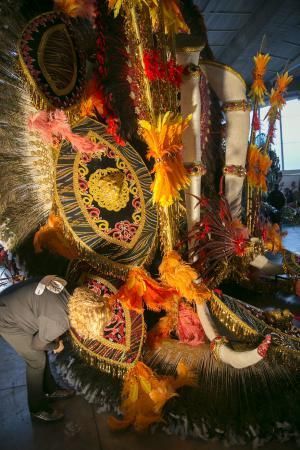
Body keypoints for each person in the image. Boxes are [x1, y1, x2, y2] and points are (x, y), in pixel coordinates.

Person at [0, 276, 74, 422]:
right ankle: (37, 408)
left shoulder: (67, 291)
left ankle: (50, 390)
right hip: (6, 319)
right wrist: (56, 346)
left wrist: (54, 338)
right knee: (36, 360)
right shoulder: (60, 321)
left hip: (14, 304)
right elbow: (37, 344)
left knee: (41, 347)